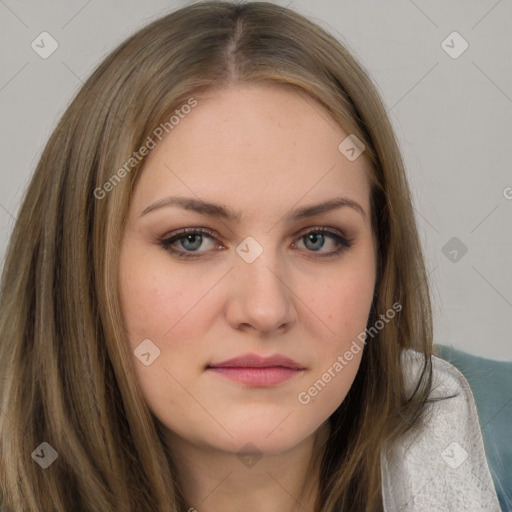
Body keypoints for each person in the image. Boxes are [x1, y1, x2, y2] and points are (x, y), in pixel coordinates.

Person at [0, 1, 501, 511]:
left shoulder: (490, 436)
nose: (265, 310)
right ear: (80, 263)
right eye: (192, 239)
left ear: (381, 257)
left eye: (317, 239)